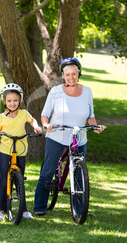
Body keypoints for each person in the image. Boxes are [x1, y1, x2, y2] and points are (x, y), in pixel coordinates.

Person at [33, 58, 106, 216]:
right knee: (48, 170)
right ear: (63, 76)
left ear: (79, 73)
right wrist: (46, 125)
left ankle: (80, 207)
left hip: (79, 137)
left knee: (79, 173)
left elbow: (90, 115)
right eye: (67, 74)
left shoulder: (87, 91)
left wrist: (95, 126)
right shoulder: (56, 91)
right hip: (57, 136)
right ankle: (39, 206)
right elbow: (45, 114)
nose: (71, 77)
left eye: (74, 73)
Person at [0, 83, 42, 221]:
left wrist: (36, 127)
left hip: (20, 151)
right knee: (3, 180)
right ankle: (1, 210)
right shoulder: (0, 117)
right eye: (9, 101)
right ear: (4, 101)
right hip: (5, 151)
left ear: (20, 101)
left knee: (20, 181)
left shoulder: (24, 113)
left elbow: (32, 120)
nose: (12, 103)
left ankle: (23, 209)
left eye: (15, 100)